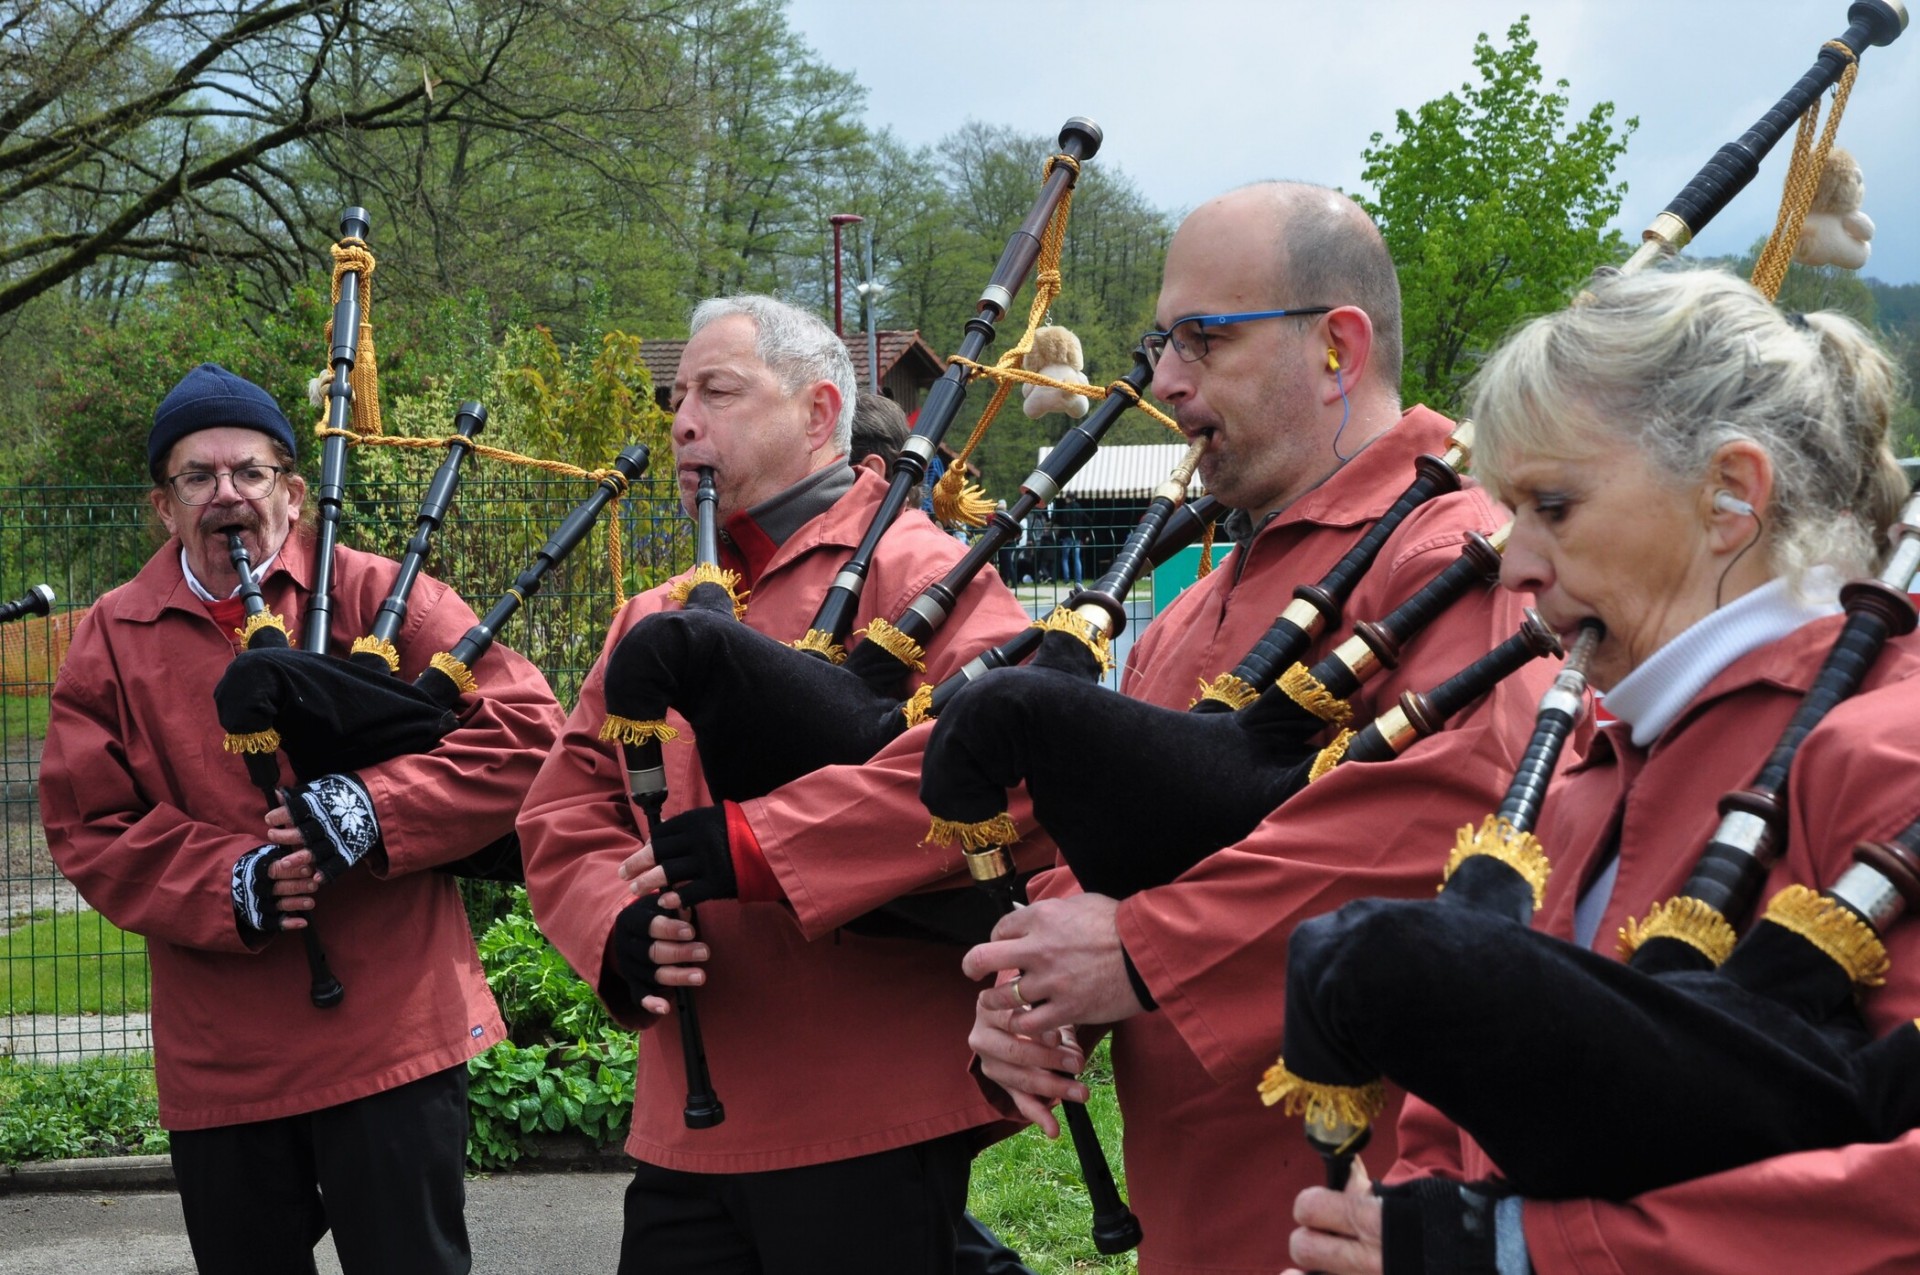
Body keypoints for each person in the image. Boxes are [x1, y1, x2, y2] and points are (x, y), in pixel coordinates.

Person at [957, 181, 1553, 1273]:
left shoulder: (1455, 556)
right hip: (1194, 1214)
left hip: (1368, 1207)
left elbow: (1447, 824)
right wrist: (1042, 967)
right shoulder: (1203, 598)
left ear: (1338, 347)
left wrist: (1139, 950)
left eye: (1202, 340)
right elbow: (1124, 833)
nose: (1167, 383)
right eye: (1159, 342)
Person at [1285, 270, 1920, 1274]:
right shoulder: (1588, 775)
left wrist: (1513, 1249)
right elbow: (1460, 1127)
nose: (1516, 563)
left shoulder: (1891, 753)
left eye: (1554, 505)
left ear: (1731, 497)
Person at [516, 295, 1035, 1275]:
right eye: (674, 398)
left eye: (716, 391)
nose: (681, 421)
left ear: (817, 411)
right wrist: (613, 933)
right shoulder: (654, 615)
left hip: (867, 1111)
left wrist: (763, 846)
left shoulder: (924, 573)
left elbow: (1007, 768)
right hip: (689, 1119)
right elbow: (563, 810)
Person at [39, 363, 564, 1274]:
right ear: (163, 508)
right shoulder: (112, 636)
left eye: (247, 473)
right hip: (223, 1060)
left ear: (290, 491)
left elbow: (529, 737)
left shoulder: (377, 596)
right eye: (195, 477)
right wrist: (233, 877)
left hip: (392, 1035)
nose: (224, 495)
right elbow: (88, 822)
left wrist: (370, 806)